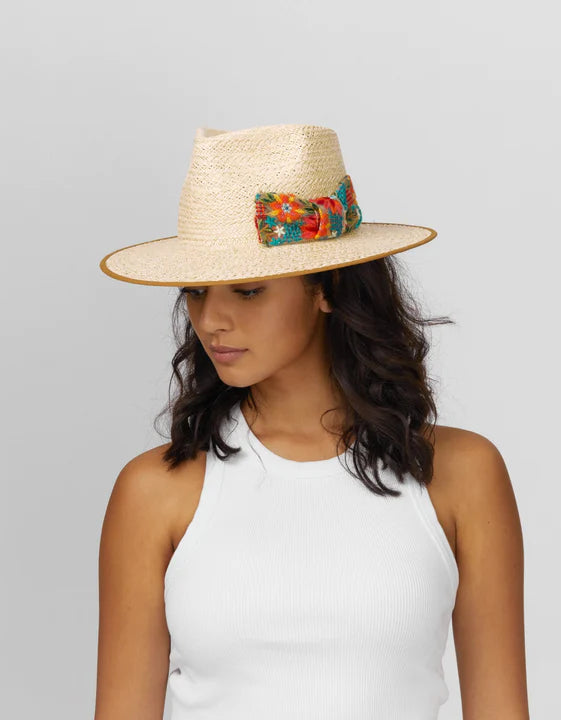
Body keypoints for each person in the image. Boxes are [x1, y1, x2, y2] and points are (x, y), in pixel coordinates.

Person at [94, 124, 528, 720]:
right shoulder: (154, 492)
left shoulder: (462, 475)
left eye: (247, 290)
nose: (211, 319)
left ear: (327, 287)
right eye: (195, 290)